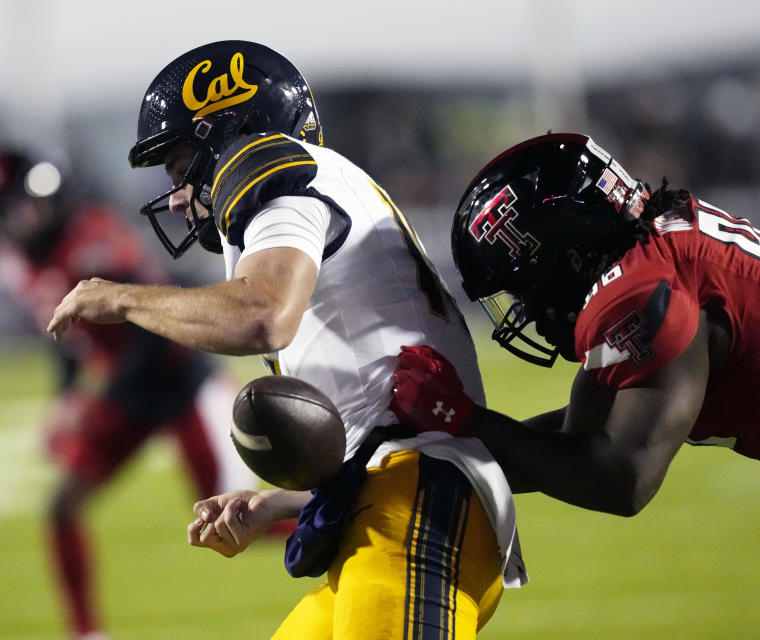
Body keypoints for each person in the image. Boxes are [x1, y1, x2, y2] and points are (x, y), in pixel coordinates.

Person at [389, 132, 760, 638]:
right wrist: (434, 452)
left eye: (522, 287)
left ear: (563, 253)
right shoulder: (649, 254)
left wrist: (460, 419)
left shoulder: (640, 291)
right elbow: (576, 434)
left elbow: (623, 477)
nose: (528, 311)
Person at [47, 40, 526, 639]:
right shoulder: (317, 182)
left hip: (416, 510)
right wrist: (280, 504)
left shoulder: (274, 169)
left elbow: (264, 315)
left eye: (178, 168)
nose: (173, 197)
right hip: (389, 502)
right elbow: (376, 413)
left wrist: (121, 297)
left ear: (229, 134)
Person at [0, 149, 258, 640]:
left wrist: (95, 403)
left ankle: (330, 522)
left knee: (233, 521)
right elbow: (65, 335)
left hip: (175, 377)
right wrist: (67, 396)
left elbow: (149, 331)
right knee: (61, 506)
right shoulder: (25, 262)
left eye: (24, 207)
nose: (19, 221)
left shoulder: (91, 237)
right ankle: (87, 633)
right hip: (128, 391)